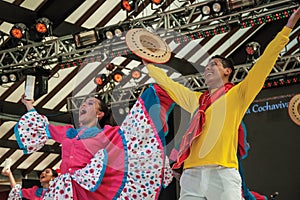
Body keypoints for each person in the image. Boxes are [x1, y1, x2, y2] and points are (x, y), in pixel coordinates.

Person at [145, 6, 300, 200]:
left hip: (223, 173)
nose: (208, 68)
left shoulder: (238, 94)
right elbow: (168, 84)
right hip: (191, 175)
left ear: (227, 71)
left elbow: (265, 63)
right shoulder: (197, 100)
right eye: (207, 65)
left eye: (214, 64)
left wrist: (287, 28)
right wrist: (148, 63)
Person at [14, 84, 175, 200]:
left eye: (90, 103)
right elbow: (42, 127)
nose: (84, 104)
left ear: (99, 114)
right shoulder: (69, 133)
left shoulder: (107, 133)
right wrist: (29, 105)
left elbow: (133, 132)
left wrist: (150, 98)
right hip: (64, 190)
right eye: (83, 103)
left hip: (89, 190)